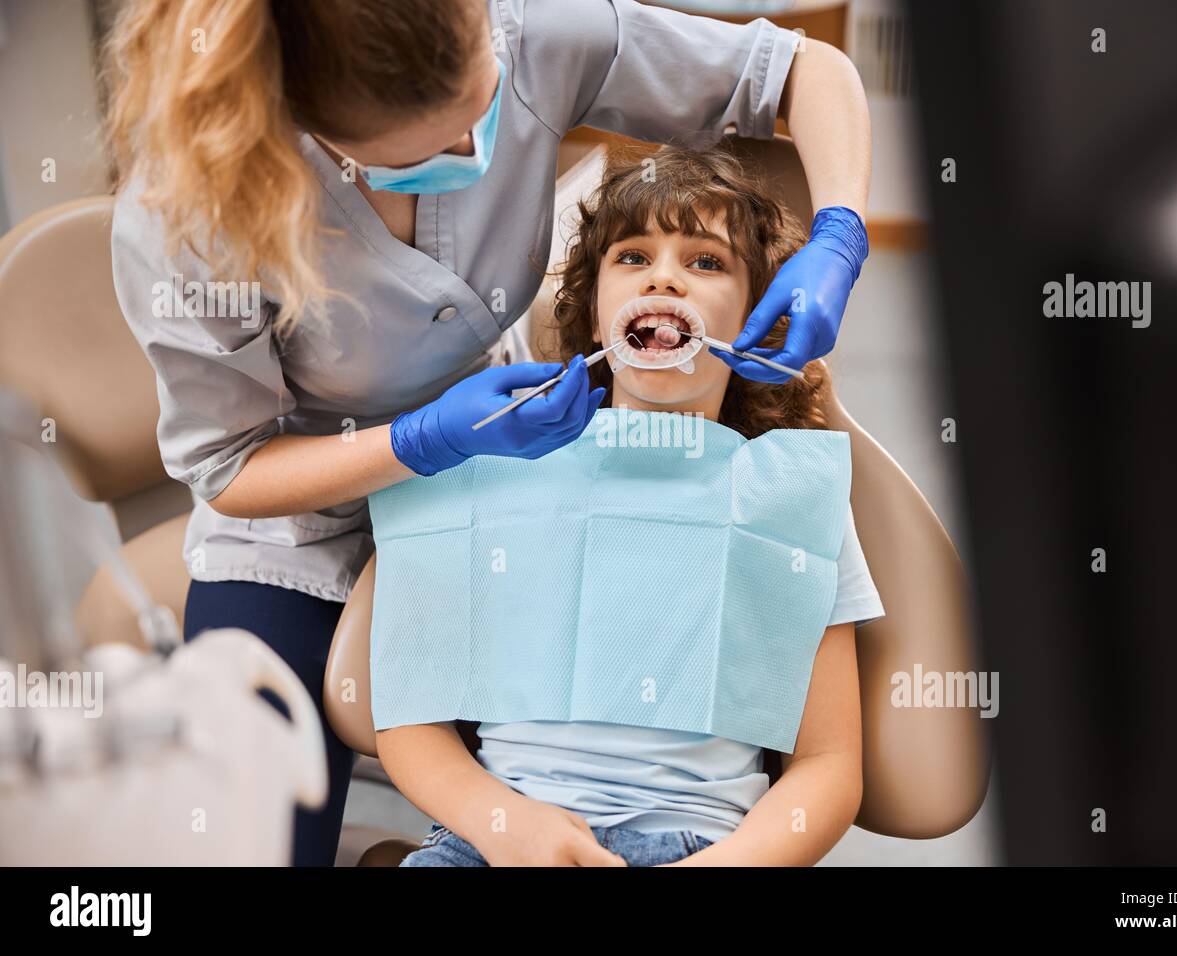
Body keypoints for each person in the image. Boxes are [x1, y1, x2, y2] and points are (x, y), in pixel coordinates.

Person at [104, 0, 871, 865]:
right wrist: (423, 445)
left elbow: (807, 71)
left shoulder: (531, 30)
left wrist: (839, 230)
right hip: (298, 518)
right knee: (243, 840)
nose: (479, 153)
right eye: (433, 151)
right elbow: (229, 465)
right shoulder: (184, 219)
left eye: (488, 107)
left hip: (506, 453)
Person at [383, 142, 884, 867]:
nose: (666, 278)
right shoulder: (492, 470)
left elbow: (829, 766)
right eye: (633, 257)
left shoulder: (790, 501)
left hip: (702, 846)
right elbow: (409, 723)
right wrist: (505, 826)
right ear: (592, 316)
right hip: (493, 839)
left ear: (757, 319)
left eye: (706, 262)